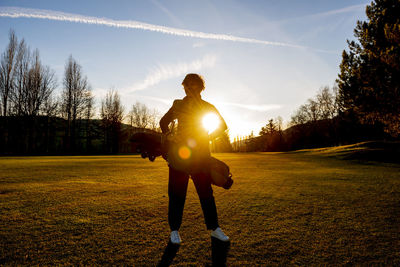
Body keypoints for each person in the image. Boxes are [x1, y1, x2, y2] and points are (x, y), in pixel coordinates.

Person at [160, 73, 230, 245]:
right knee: (177, 194)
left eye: (194, 85)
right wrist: (169, 135)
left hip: (201, 156)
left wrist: (209, 137)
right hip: (179, 155)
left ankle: (214, 229)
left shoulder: (207, 106)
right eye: (187, 85)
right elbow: (163, 122)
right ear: (184, 86)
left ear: (201, 87)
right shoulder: (178, 104)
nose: (190, 88)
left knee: (206, 193)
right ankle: (174, 231)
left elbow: (223, 125)